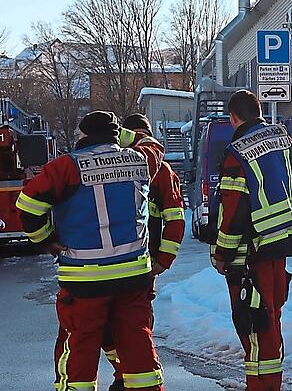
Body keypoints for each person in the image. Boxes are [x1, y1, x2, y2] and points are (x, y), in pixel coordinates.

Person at [17, 111, 166, 391]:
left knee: (80, 346)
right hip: (133, 274)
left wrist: (46, 241)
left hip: (84, 277)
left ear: (83, 135)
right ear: (116, 135)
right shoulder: (141, 158)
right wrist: (121, 135)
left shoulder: (66, 167)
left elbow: (27, 206)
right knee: (137, 341)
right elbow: (152, 143)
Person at [212, 90, 292, 391]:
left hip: (250, 253)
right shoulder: (284, 139)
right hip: (280, 243)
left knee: (254, 324)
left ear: (234, 117)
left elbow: (233, 208)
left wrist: (222, 253)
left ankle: (261, 386)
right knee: (270, 319)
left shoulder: (237, 151)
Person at [100, 114, 185, 391]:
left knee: (129, 321)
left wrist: (163, 259)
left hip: (137, 259)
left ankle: (128, 374)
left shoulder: (157, 169)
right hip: (134, 258)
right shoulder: (130, 165)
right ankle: (126, 372)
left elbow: (174, 216)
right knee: (130, 321)